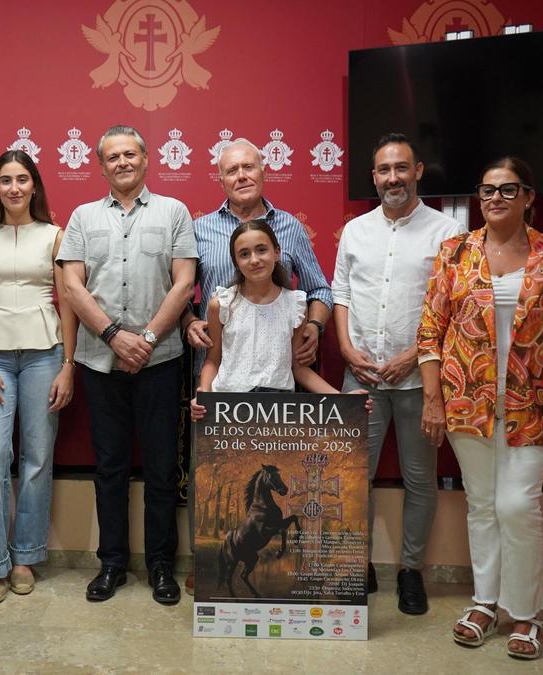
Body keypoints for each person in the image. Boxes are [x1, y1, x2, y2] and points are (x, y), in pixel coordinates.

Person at [418, 157, 543, 660]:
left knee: (518, 506)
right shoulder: (455, 253)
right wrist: (433, 399)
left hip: (533, 406)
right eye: (487, 189)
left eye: (507, 190)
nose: (494, 198)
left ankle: (526, 614)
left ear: (529, 197)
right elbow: (431, 332)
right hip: (466, 403)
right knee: (482, 505)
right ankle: (485, 603)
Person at [183, 138, 334, 590]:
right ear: (221, 178)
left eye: (249, 167)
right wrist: (191, 321)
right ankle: (207, 562)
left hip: (277, 394)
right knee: (211, 474)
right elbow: (186, 295)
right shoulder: (199, 228)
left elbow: (320, 292)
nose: (242, 176)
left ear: (264, 170)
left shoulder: (289, 228)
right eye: (232, 170)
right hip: (222, 389)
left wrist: (312, 328)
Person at [57, 125, 197, 605]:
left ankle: (160, 565)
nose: (121, 162)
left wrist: (148, 338)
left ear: (145, 158)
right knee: (110, 468)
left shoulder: (174, 213)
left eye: (129, 153)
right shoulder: (81, 217)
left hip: (161, 361)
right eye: (112, 157)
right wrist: (116, 337)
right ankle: (112, 563)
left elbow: (183, 284)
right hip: (99, 362)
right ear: (101, 166)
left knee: (160, 469)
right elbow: (73, 287)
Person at [332, 133, 465, 613]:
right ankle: (356, 562)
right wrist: (346, 348)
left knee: (419, 480)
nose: (393, 178)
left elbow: (452, 308)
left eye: (401, 168)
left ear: (418, 171)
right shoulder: (355, 230)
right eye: (384, 170)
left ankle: (410, 571)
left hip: (418, 381)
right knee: (352, 478)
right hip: (361, 377)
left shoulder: (446, 232)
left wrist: (414, 355)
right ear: (374, 177)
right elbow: (340, 293)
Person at [0, 150, 77, 603]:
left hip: (46, 354)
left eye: (22, 179)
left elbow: (68, 305)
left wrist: (68, 364)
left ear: (35, 185)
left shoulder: (55, 236)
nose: (14, 188)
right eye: (5, 180)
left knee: (37, 456)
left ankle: (24, 555)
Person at [189, 220, 348, 419]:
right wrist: (204, 393)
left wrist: (344, 399)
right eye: (244, 254)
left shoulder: (295, 304)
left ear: (277, 252)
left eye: (261, 250)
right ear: (236, 261)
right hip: (228, 406)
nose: (254, 260)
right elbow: (212, 360)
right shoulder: (222, 304)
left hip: (278, 409)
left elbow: (300, 368)